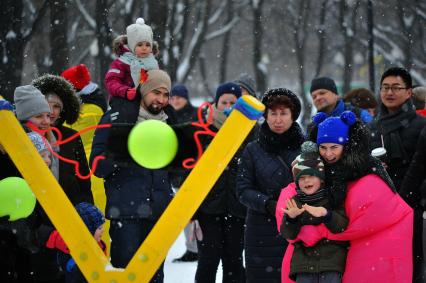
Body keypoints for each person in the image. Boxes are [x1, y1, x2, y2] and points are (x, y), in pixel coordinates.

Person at [277, 111, 413, 283]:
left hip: (336, 256)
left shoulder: (363, 167)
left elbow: (374, 207)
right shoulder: (312, 169)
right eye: (323, 147)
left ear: (346, 145)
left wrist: (321, 225)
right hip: (310, 259)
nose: (328, 154)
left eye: (334, 147)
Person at [90, 69, 175, 282]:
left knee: (155, 276)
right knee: (126, 275)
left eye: (166, 95)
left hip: (158, 214)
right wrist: (126, 149)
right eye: (157, 92)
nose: (161, 99)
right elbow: (97, 166)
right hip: (126, 215)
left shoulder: (168, 123)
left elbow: (175, 170)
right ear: (144, 90)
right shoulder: (116, 117)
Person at [236, 88, 304, 282]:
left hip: (299, 227)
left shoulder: (306, 147)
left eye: (283, 113)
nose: (278, 119)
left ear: (293, 115)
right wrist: (269, 204)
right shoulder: (252, 150)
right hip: (261, 230)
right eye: (273, 113)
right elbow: (242, 190)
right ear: (265, 116)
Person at [0, 85, 65, 282]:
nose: (47, 121)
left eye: (48, 115)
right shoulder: (9, 149)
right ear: (23, 119)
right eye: (39, 117)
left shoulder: (50, 145)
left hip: (42, 233)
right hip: (17, 237)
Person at [368, 67, 426, 282]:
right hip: (380, 208)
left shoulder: (421, 125)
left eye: (395, 87)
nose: (389, 93)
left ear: (409, 92)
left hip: (413, 207)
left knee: (412, 265)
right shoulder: (372, 128)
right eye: (385, 87)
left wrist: (413, 195)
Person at [194, 82, 247, 283]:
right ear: (215, 104)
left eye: (232, 102)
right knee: (207, 260)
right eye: (223, 102)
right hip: (208, 209)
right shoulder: (203, 130)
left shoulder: (248, 131)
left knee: (233, 260)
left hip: (237, 208)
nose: (227, 107)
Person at [281, 141, 348, 283]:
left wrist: (326, 214)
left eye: (311, 176)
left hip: (331, 262)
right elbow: (288, 234)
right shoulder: (295, 201)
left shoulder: (331, 198)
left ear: (321, 179)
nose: (307, 181)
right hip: (303, 264)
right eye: (302, 178)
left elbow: (341, 225)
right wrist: (291, 218)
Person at [32, 74, 94, 205]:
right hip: (37, 210)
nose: (51, 111)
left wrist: (87, 207)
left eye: (56, 106)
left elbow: (84, 182)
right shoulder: (26, 134)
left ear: (63, 110)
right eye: (47, 105)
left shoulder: (72, 136)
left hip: (70, 207)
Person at [169, 83, 199, 263]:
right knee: (184, 216)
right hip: (176, 173)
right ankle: (191, 248)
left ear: (186, 98)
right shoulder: (168, 115)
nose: (175, 100)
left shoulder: (195, 115)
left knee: (194, 214)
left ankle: (197, 248)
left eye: (179, 97)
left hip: (192, 171)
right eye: (173, 97)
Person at [105, 18, 159, 102]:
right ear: (132, 45)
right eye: (140, 45)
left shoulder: (152, 63)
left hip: (147, 101)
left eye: (148, 45)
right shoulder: (121, 63)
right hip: (125, 100)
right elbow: (111, 81)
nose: (144, 48)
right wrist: (125, 91)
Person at [55, 202, 106, 283]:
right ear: (88, 230)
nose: (103, 230)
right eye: (99, 228)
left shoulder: (98, 245)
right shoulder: (73, 253)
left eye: (102, 227)